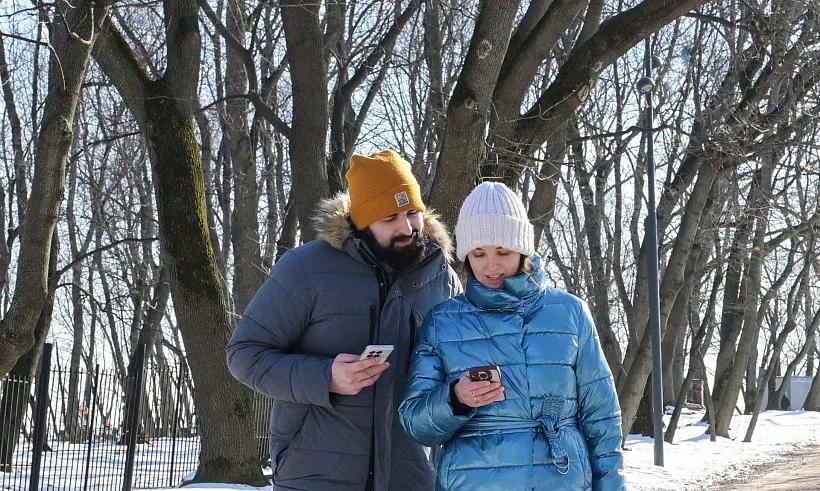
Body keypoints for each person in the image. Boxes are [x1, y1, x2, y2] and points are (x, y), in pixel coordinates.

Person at [225, 149, 461, 491]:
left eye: (412, 213)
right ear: (363, 220)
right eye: (389, 217)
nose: (407, 227)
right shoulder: (305, 269)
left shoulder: (441, 277)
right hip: (315, 474)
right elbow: (244, 354)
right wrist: (326, 378)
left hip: (411, 477)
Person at [399, 182, 626, 491]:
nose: (491, 266)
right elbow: (415, 423)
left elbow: (602, 420)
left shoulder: (570, 313)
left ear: (523, 250)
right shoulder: (443, 322)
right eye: (478, 254)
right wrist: (456, 398)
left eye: (503, 252)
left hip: (560, 479)